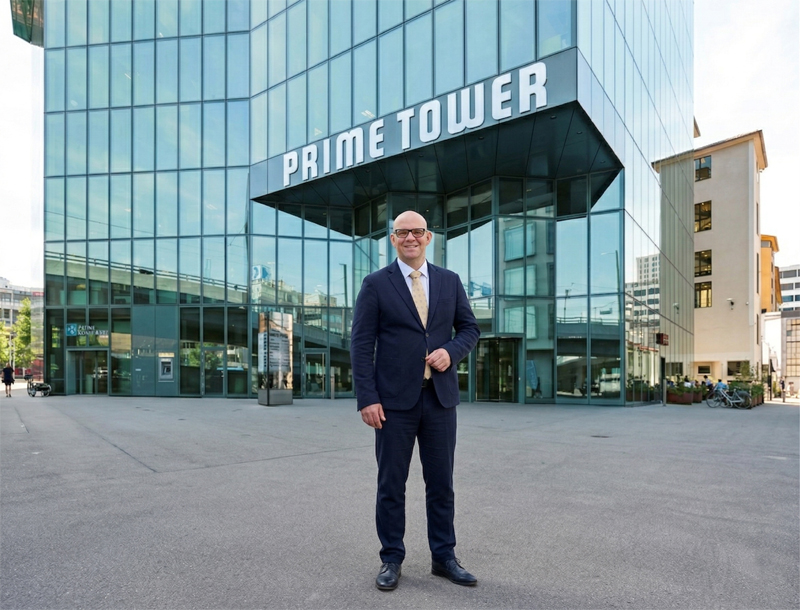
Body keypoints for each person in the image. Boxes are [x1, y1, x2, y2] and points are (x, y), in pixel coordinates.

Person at [350, 211, 481, 591]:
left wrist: (451, 352)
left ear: (429, 237)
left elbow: (470, 328)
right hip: (392, 404)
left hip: (440, 401)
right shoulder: (376, 284)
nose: (411, 237)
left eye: (417, 232)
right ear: (393, 240)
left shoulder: (450, 281)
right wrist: (367, 398)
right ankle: (391, 558)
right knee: (392, 483)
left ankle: (444, 557)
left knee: (441, 483)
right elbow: (361, 345)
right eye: (402, 232)